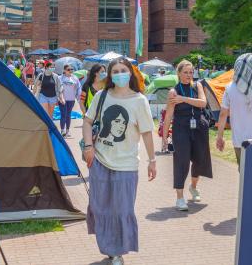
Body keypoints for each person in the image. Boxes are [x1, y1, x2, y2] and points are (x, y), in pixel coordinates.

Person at [82, 57, 156, 265]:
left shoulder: (139, 100)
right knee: (100, 207)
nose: (119, 74)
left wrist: (152, 160)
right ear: (109, 75)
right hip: (100, 161)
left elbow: (147, 133)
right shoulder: (102, 96)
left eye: (123, 70)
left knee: (122, 210)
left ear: (131, 73)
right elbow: (87, 122)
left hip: (127, 165)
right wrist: (88, 147)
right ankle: (110, 247)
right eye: (115, 71)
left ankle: (117, 251)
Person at [162, 60, 213, 211]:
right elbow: (169, 115)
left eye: (191, 72)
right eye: (185, 72)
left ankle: (193, 187)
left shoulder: (197, 85)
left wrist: (184, 99)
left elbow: (203, 103)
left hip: (199, 127)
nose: (189, 75)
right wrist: (165, 137)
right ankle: (179, 198)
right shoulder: (173, 92)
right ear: (178, 73)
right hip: (181, 129)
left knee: (199, 160)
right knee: (182, 161)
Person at [58, 65, 81, 137]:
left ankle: (67, 131)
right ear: (64, 70)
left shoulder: (75, 78)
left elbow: (78, 88)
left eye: (72, 69)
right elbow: (57, 88)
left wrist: (77, 97)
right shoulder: (60, 78)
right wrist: (59, 98)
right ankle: (62, 131)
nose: (70, 71)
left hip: (71, 99)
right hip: (63, 99)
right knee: (63, 114)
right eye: (68, 69)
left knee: (68, 115)